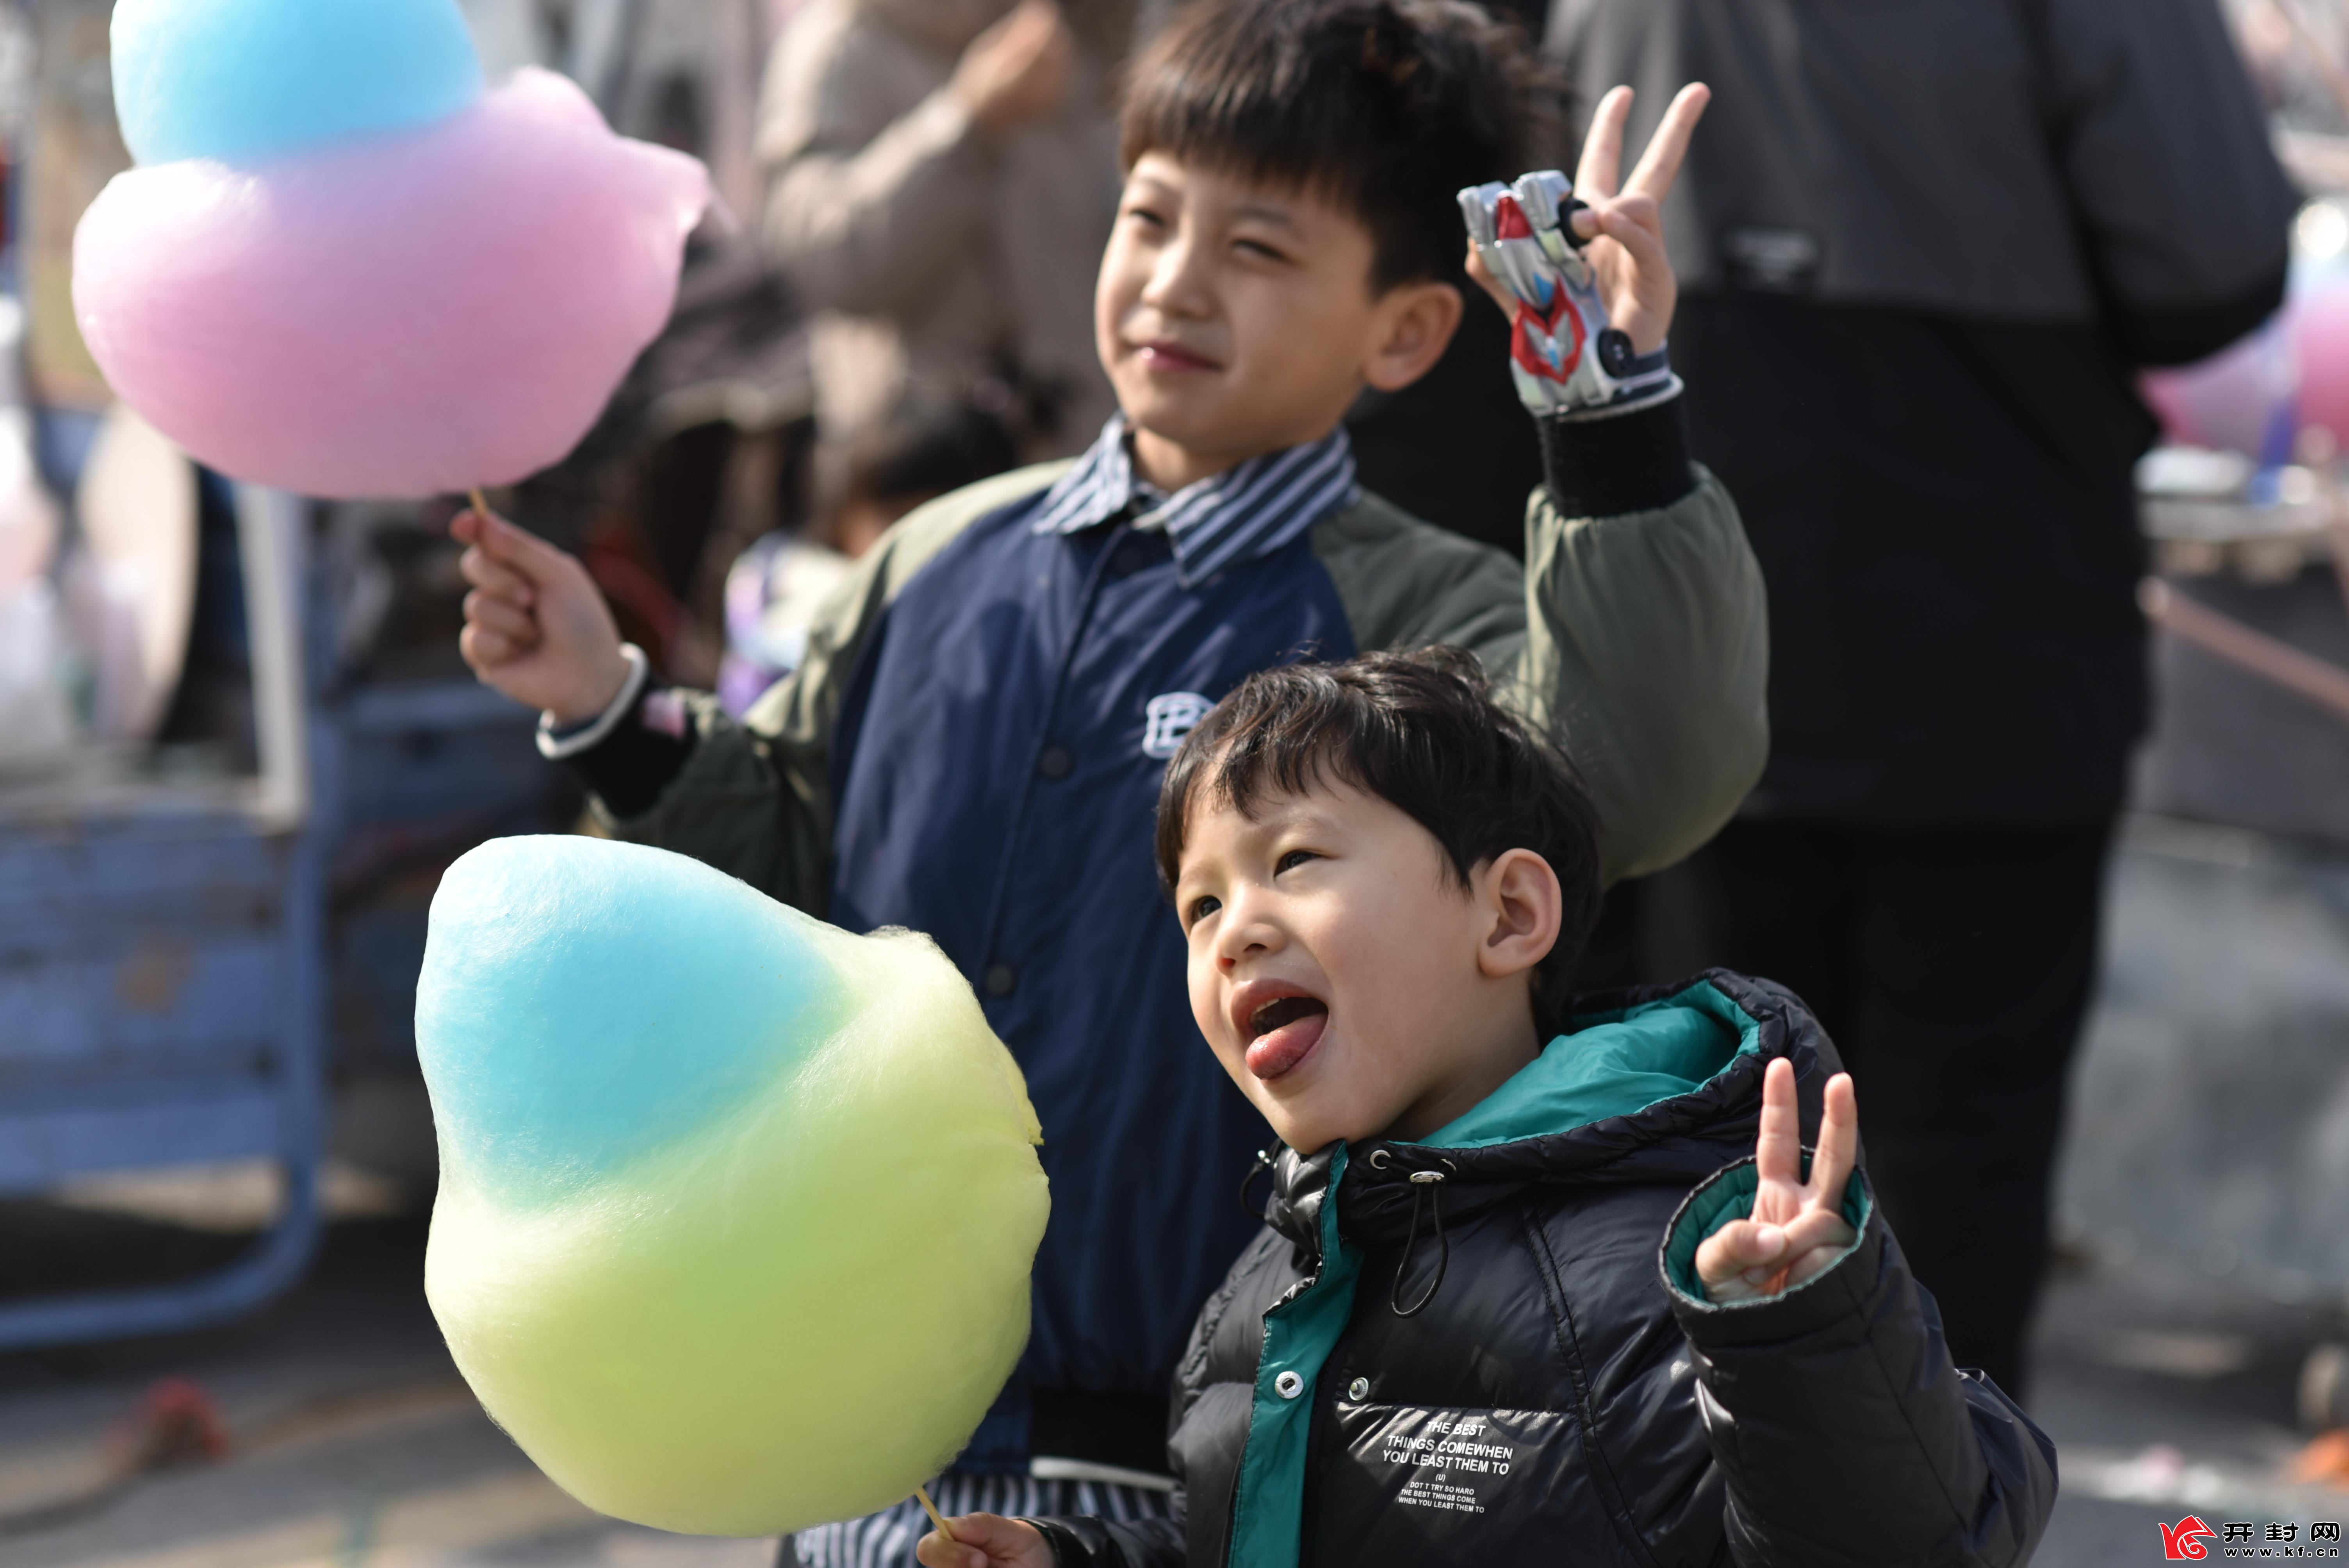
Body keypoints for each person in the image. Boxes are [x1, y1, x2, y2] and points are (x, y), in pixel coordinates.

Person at [451, 2, 1767, 1560]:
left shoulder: (1423, 620)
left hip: (1219, 1466)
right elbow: (793, 856)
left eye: (1260, 250)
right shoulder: (938, 556)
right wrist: (606, 699)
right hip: (862, 1446)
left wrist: (1599, 404)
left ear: (1404, 332)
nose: (1174, 279)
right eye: (1148, 215)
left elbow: (1644, 765)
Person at [1547, 0, 2300, 1397]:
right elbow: (2213, 263)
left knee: (1707, 1149)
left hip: (1691, 626)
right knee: (1950, 1167)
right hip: (1982, 626)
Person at [915, 648, 2057, 1568]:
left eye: (1297, 858)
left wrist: (1799, 1335)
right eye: (1199, 903)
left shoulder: (1665, 1261)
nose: (1235, 929)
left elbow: (1904, 1537)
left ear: (1507, 914)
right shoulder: (1278, 1277)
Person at [757, 0, 1134, 464]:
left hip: (1079, 451)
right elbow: (825, 262)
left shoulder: (1066, 31)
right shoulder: (839, 46)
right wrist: (968, 122)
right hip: (916, 462)